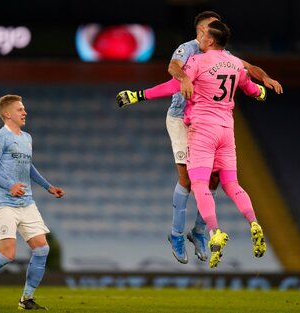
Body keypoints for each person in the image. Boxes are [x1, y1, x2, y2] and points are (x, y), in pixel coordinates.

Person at [117, 11, 281, 265]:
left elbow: (248, 68)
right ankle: (176, 235)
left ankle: (200, 231)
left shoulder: (222, 55)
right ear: (201, 29)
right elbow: (172, 68)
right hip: (182, 117)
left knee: (212, 180)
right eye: (208, 27)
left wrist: (266, 78)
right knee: (187, 179)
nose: (209, 31)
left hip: (204, 123)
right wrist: (183, 78)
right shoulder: (188, 49)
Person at [0, 94, 65, 310]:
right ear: (7, 114)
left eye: (24, 109)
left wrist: (48, 186)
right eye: (20, 109)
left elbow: (28, 167)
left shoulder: (27, 138)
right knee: (6, 255)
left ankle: (26, 299)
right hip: (5, 203)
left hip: (26, 203)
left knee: (41, 249)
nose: (24, 112)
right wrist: (10, 186)